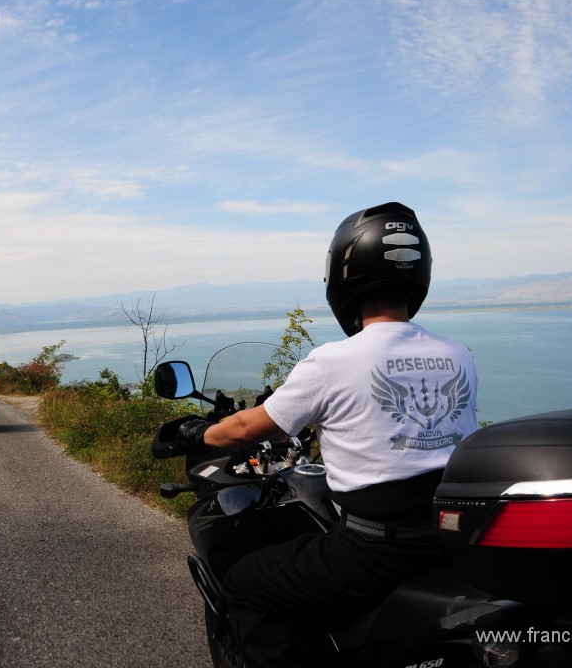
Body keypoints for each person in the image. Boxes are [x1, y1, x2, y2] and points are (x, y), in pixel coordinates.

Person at [175, 202, 478, 667]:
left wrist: (198, 433)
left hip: (373, 550)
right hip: (448, 542)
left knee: (245, 586)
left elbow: (246, 427)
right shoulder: (458, 355)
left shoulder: (333, 361)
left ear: (344, 276)